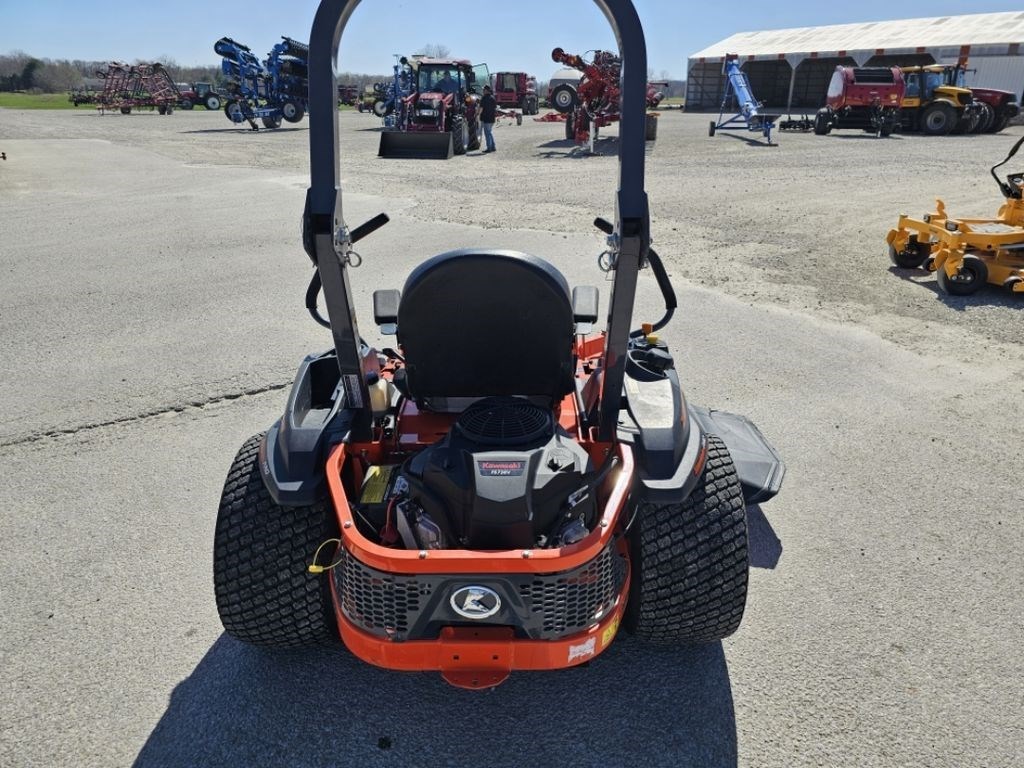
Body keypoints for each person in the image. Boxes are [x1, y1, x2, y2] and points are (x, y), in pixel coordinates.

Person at [480, 85, 497, 153]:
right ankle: (493, 147)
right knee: (489, 132)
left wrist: (477, 114)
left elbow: (481, 109)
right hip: (492, 118)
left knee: (487, 134)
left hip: (486, 118)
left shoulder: (484, 98)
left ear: (486, 91)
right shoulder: (493, 98)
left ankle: (489, 148)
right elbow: (495, 108)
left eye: (484, 90)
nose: (483, 91)